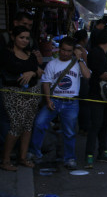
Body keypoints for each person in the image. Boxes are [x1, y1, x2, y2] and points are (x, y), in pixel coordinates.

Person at [30, 37, 90, 169]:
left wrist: (80, 59)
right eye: (63, 50)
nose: (65, 53)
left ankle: (69, 158)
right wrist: (48, 99)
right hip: (54, 100)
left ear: (73, 51)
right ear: (59, 49)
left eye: (69, 51)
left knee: (69, 132)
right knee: (39, 123)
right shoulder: (52, 64)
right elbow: (46, 83)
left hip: (71, 103)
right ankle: (35, 153)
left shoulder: (77, 63)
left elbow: (87, 75)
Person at [0, 26, 43, 171]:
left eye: (27, 38)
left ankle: (22, 157)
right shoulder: (6, 54)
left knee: (28, 125)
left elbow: (39, 71)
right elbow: (10, 71)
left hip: (32, 93)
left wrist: (32, 73)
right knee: (16, 125)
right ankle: (5, 160)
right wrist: (29, 72)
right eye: (21, 37)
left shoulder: (30, 55)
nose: (24, 40)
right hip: (13, 94)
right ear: (14, 37)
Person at [84, 28, 107, 169]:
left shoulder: (106, 54)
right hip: (96, 93)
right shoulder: (95, 53)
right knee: (96, 124)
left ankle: (103, 151)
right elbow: (102, 74)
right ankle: (89, 153)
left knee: (105, 123)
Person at [73, 30, 90, 136]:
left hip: (76, 78)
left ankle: (81, 127)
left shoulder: (74, 48)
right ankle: (84, 127)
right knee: (84, 104)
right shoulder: (81, 50)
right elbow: (86, 64)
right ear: (84, 39)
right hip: (82, 78)